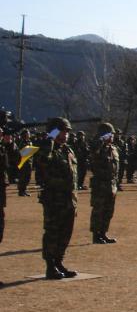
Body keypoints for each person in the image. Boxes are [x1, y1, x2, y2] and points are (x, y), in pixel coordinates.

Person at [33, 118, 79, 280]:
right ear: (53, 132)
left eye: (67, 131)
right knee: (52, 233)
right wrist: (49, 140)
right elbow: (43, 163)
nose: (66, 134)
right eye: (62, 131)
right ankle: (50, 266)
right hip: (54, 200)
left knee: (66, 233)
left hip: (69, 200)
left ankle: (59, 262)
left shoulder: (67, 150)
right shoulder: (46, 149)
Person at [89, 122, 120, 244]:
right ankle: (96, 236)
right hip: (100, 184)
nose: (112, 136)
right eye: (109, 134)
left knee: (108, 211)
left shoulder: (113, 149)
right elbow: (93, 149)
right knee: (98, 211)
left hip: (111, 184)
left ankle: (103, 233)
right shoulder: (98, 148)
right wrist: (100, 139)